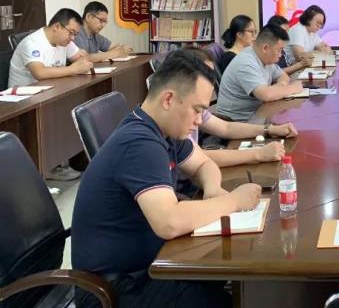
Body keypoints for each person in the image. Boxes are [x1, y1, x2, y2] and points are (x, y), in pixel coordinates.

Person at [71, 50, 262, 308]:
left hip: (149, 264)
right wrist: (234, 202)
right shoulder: (140, 143)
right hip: (115, 288)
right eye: (197, 110)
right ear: (169, 99)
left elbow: (203, 163)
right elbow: (169, 222)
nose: (199, 121)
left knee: (230, 279)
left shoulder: (163, 129)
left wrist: (213, 190)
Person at [8, 8, 94, 181]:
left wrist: (82, 59)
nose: (72, 38)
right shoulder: (32, 42)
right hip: (24, 100)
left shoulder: (64, 41)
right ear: (57, 26)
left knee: (79, 103)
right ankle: (46, 167)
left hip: (50, 92)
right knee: (63, 110)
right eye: (71, 33)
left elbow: (80, 57)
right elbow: (40, 73)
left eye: (75, 34)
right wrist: (73, 69)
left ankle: (65, 160)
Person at [216, 24, 304, 121]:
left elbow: (282, 75)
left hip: (257, 113)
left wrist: (281, 85)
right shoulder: (246, 63)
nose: (280, 55)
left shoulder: (264, 57)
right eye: (279, 50)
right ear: (265, 48)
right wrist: (294, 88)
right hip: (238, 121)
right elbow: (266, 95)